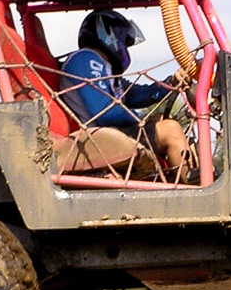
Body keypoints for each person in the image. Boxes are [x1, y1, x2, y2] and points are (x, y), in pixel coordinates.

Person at [59, 9, 190, 174]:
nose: (125, 48)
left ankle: (193, 175)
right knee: (170, 130)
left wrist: (172, 82)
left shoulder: (105, 69)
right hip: (96, 138)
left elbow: (140, 94)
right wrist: (141, 119)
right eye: (125, 42)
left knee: (165, 121)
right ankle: (197, 188)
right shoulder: (86, 59)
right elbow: (103, 112)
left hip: (106, 135)